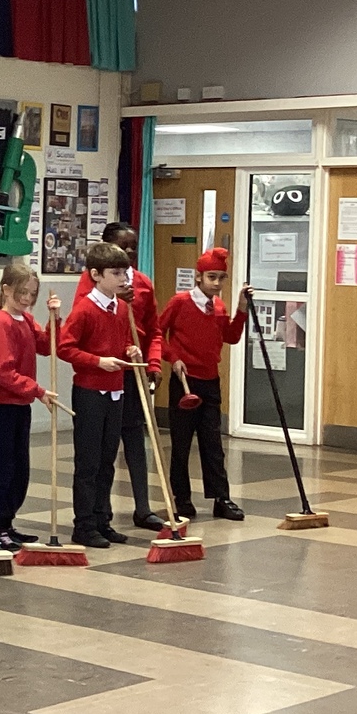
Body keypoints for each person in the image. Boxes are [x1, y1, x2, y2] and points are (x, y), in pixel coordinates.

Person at [73, 222, 164, 532]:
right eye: (122, 247)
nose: (129, 253)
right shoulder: (92, 283)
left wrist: (153, 364)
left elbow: (154, 330)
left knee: (134, 437)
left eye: (133, 248)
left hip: (132, 370)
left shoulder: (144, 283)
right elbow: (83, 327)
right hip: (101, 373)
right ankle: (97, 516)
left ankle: (143, 508)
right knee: (97, 453)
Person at [59, 242, 143, 549]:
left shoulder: (121, 308)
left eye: (125, 273)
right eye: (116, 273)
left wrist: (129, 350)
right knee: (89, 461)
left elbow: (118, 343)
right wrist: (97, 361)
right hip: (90, 392)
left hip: (116, 391)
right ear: (96, 275)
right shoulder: (84, 309)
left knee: (108, 459)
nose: (123, 279)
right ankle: (83, 525)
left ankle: (102, 520)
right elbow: (65, 348)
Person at [161, 248, 251, 522]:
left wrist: (242, 308)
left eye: (222, 278)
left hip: (210, 381)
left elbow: (231, 337)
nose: (217, 283)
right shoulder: (180, 302)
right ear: (198, 276)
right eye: (212, 277)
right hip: (185, 381)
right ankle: (182, 499)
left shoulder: (219, 307)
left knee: (213, 443)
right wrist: (173, 358)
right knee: (181, 443)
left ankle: (221, 498)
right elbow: (156, 333)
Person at [0, 259, 51, 550]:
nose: (27, 298)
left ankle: (6, 523)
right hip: (0, 406)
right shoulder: (2, 323)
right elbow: (3, 371)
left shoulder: (26, 320)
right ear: (6, 289)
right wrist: (37, 390)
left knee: (19, 470)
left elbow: (45, 345)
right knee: (0, 469)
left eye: (32, 293)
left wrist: (54, 318)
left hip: (19, 405)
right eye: (22, 292)